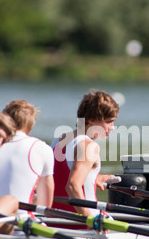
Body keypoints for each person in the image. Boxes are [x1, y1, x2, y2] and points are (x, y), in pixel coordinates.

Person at [51, 90, 119, 218]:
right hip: (82, 224)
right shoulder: (89, 147)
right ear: (92, 120)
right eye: (109, 121)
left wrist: (93, 177)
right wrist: (90, 220)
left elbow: (62, 175)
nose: (112, 127)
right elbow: (72, 186)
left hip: (54, 219)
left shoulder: (60, 140)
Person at [0, 100, 54, 211]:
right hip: (22, 221)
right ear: (30, 127)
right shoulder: (42, 148)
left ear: (4, 121)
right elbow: (45, 206)